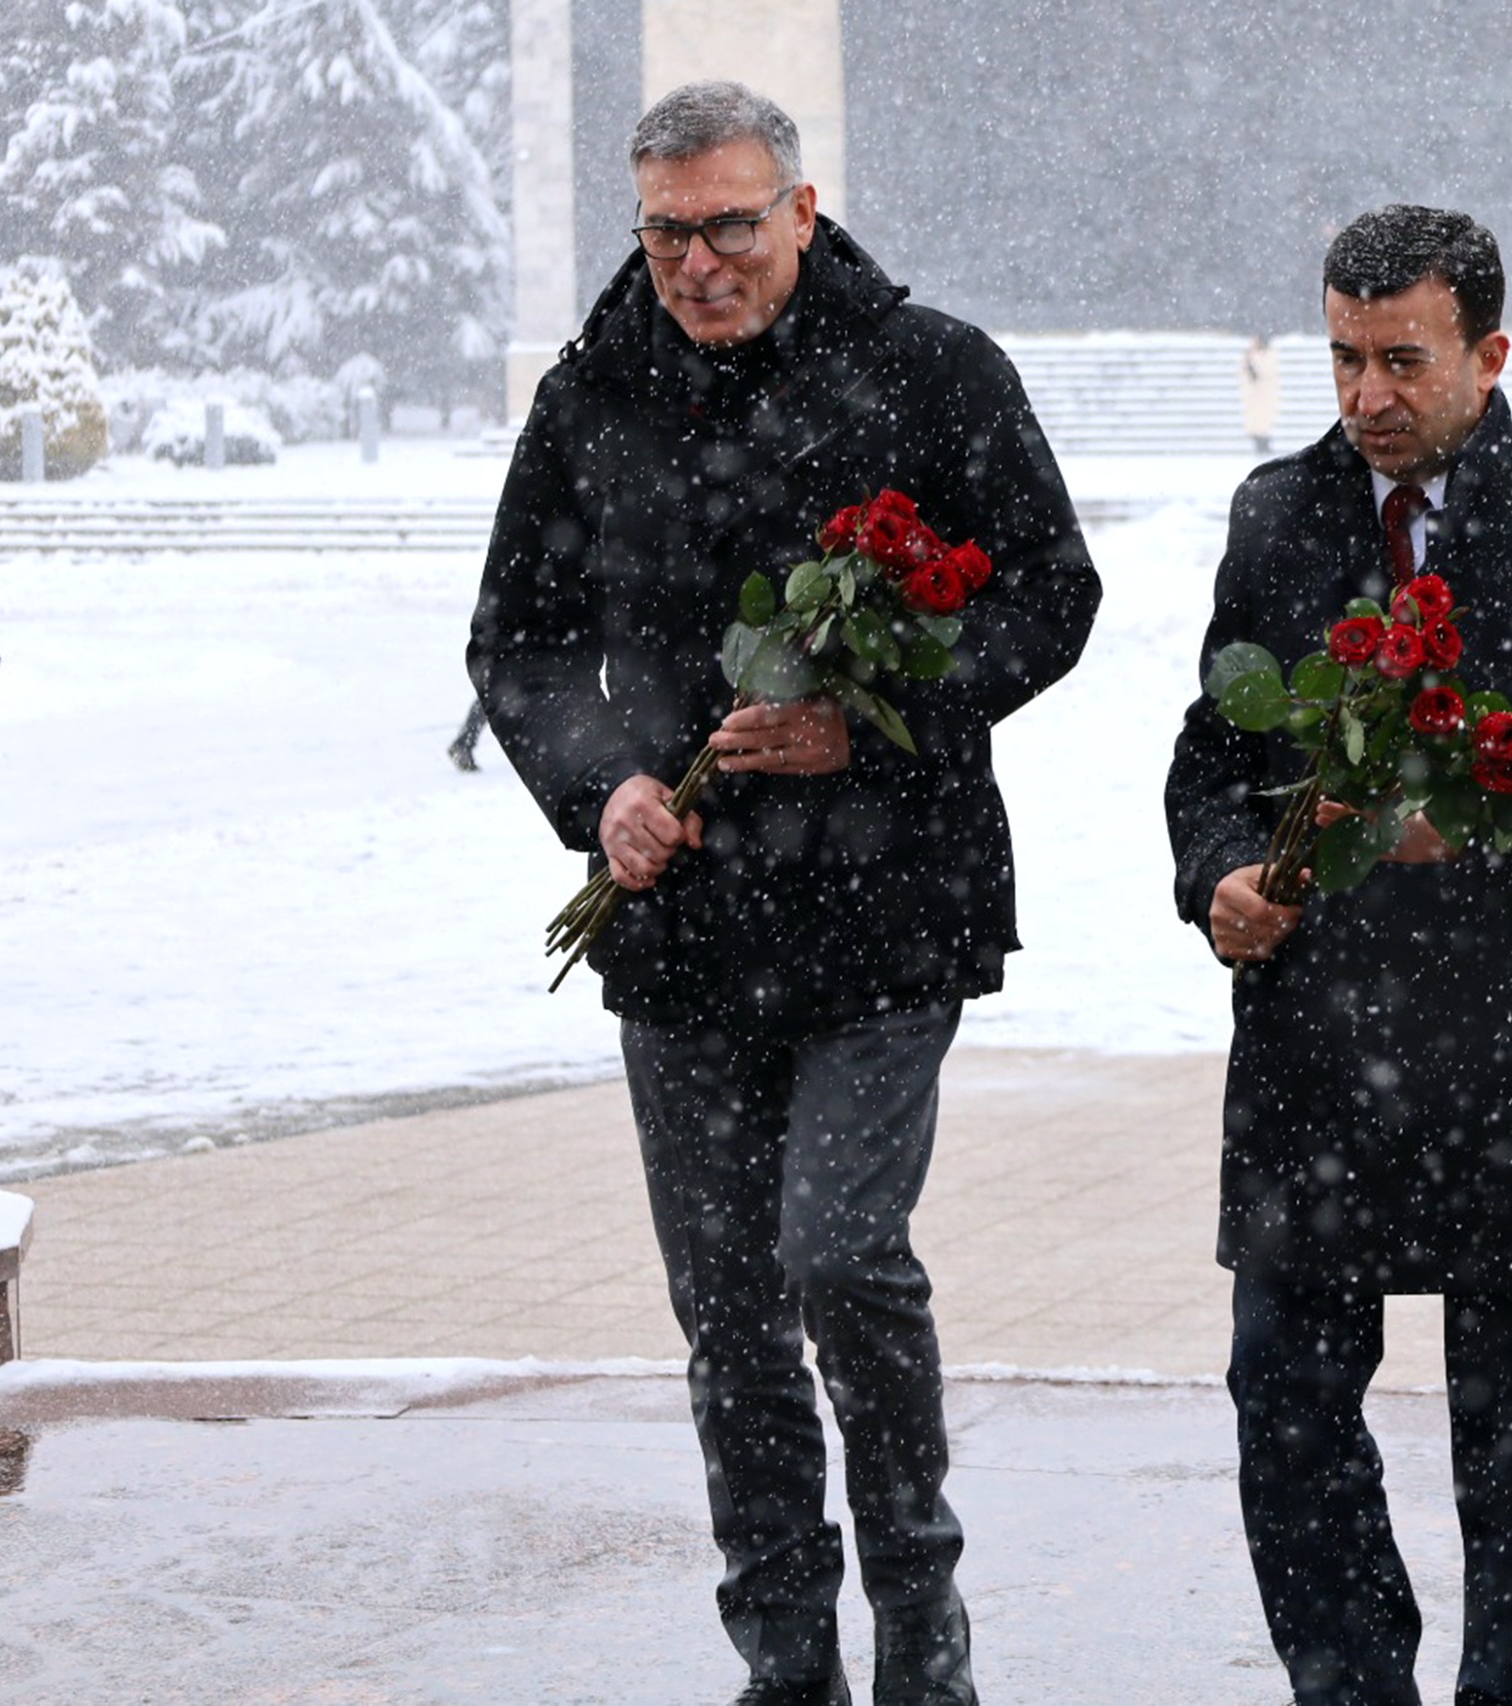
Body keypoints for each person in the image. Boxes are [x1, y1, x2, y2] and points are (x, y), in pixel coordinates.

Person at [467, 83, 1098, 1706]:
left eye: (732, 225)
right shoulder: (591, 396)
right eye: (667, 233)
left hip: (890, 905)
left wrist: (869, 721)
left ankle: (923, 1634)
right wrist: (604, 788)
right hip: (683, 930)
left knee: (837, 1253)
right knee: (732, 1313)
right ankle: (785, 1654)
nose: (699, 263)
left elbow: (1051, 593)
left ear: (801, 212)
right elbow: (520, 643)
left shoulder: (933, 370)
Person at [1164, 206, 1512, 1706]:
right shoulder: (1278, 515)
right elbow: (1212, 753)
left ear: (1489, 352)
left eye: (1402, 360)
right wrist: (1216, 875)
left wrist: (1487, 822)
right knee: (1285, 1409)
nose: (1368, 395)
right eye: (1344, 358)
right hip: (1314, 1051)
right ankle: (1350, 1686)